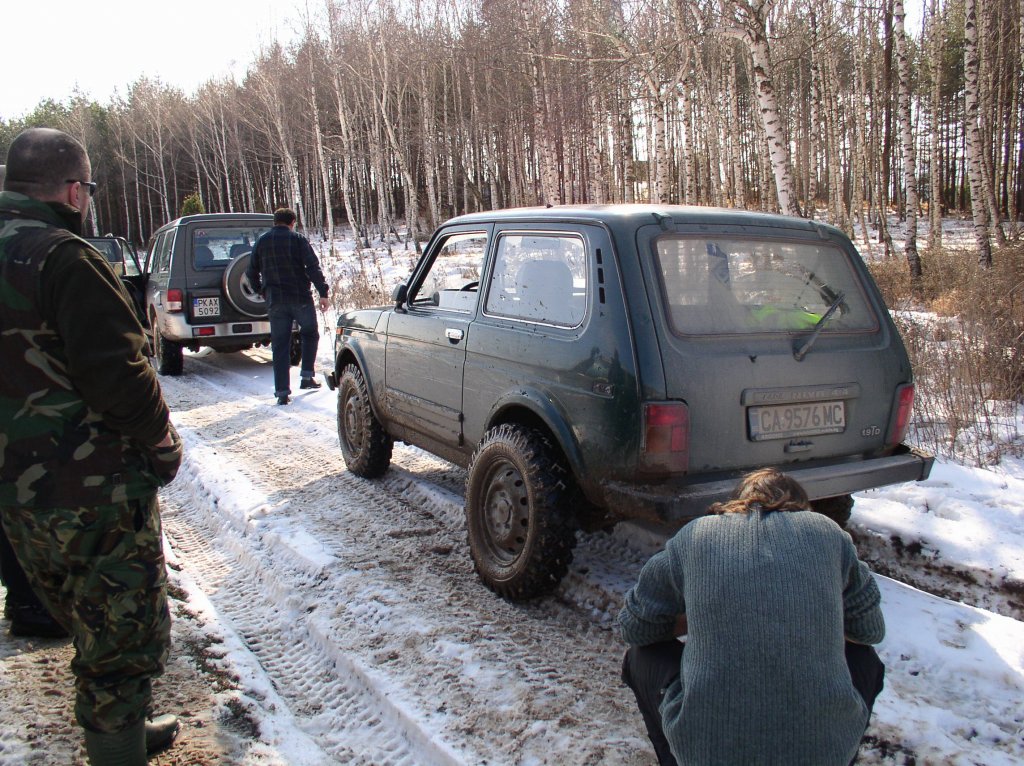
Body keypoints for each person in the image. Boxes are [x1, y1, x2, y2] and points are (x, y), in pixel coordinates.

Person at [0, 128, 183, 763]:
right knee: (121, 629)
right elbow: (122, 374)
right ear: (75, 191)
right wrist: (162, 443)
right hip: (91, 488)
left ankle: (122, 731)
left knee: (76, 610)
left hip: (14, 493)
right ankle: (117, 749)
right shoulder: (66, 259)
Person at [618, 468, 886, 766]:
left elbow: (634, 627)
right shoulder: (828, 532)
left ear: (736, 503)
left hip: (709, 754)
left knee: (641, 657)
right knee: (865, 659)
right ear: (801, 507)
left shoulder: (695, 535)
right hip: (827, 755)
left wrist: (699, 614)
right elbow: (870, 630)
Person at [246, 207, 330, 405]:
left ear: (275, 222)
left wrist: (262, 290)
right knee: (309, 333)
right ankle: (307, 376)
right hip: (300, 297)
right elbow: (312, 267)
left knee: (280, 345)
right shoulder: (298, 240)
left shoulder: (262, 242)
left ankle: (282, 392)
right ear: (292, 222)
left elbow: (251, 272)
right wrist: (323, 292)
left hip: (275, 300)